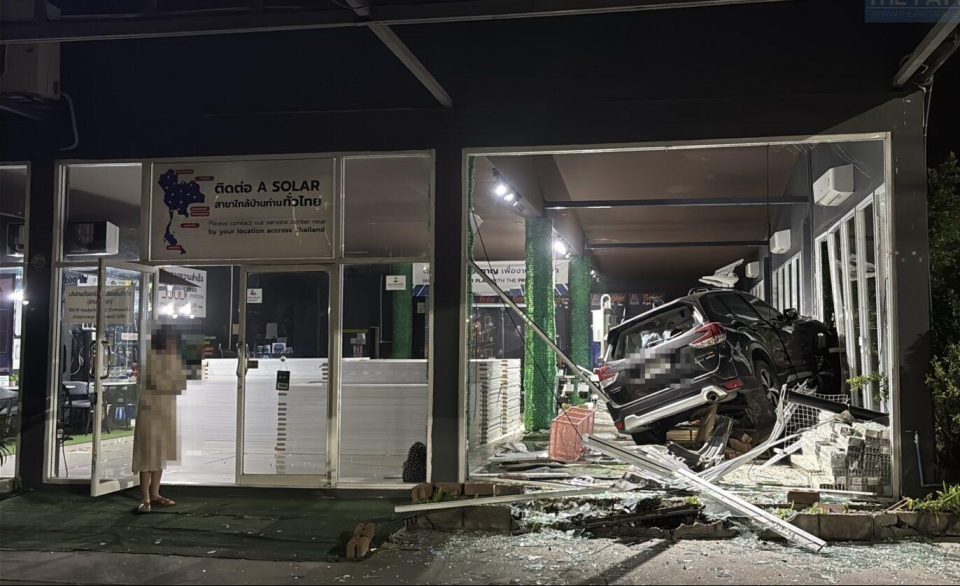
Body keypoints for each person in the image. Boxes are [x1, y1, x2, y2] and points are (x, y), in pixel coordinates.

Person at [132, 324, 185, 514]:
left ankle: (155, 493)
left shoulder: (173, 361)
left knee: (159, 454)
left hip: (165, 412)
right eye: (170, 341)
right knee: (147, 455)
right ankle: (145, 497)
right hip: (150, 412)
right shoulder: (152, 361)